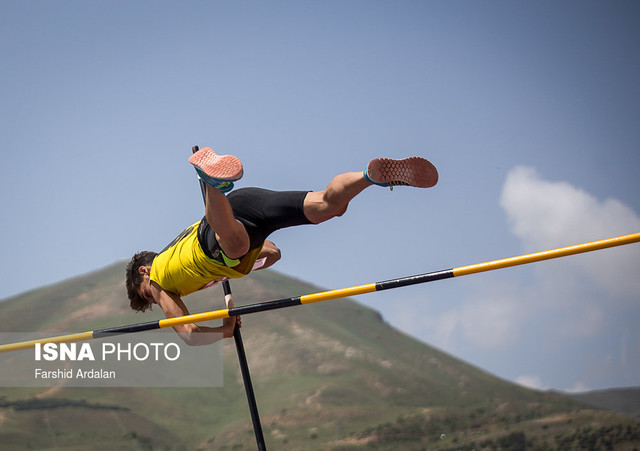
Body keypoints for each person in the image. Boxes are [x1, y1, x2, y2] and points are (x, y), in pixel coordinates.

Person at [125, 147, 437, 345]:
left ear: (144, 272)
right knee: (328, 206)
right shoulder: (189, 265)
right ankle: (369, 176)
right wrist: (231, 276)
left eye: (146, 296)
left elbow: (190, 336)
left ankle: (211, 182)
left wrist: (226, 330)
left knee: (233, 244)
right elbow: (272, 253)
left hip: (219, 236)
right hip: (244, 206)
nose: (154, 300)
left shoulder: (159, 279)